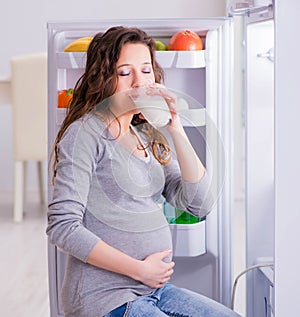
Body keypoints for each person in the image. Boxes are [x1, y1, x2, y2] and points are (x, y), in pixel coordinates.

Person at [46, 26, 240, 317]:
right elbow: (63, 226)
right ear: (104, 79)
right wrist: (139, 270)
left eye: (146, 70)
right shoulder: (85, 134)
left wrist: (176, 129)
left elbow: (199, 203)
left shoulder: (146, 134)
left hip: (152, 291)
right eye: (125, 73)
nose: (139, 82)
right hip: (104, 297)